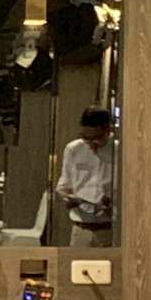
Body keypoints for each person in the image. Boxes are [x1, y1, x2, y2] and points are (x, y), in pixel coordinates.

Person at [56, 106, 116, 247]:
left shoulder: (118, 150)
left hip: (110, 228)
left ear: (108, 130)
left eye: (96, 138)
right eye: (86, 138)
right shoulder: (73, 149)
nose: (91, 144)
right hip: (81, 227)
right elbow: (63, 185)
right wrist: (72, 198)